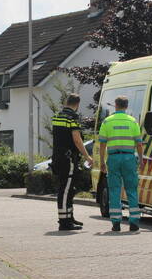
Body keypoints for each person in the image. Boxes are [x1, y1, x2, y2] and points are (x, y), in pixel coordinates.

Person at [98, 95, 145, 232]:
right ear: (127, 106)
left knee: (114, 190)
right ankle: (134, 222)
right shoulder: (133, 121)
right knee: (131, 190)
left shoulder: (107, 121)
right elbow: (139, 144)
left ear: (115, 105)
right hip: (129, 158)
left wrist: (102, 161)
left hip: (113, 158)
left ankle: (116, 223)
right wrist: (141, 160)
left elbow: (102, 144)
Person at [51, 93, 94, 230]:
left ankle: (69, 217)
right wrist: (87, 156)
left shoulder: (57, 116)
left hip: (58, 156)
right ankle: (64, 222)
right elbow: (76, 139)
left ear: (66, 102)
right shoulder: (72, 117)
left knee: (68, 189)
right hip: (68, 158)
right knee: (66, 190)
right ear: (77, 104)